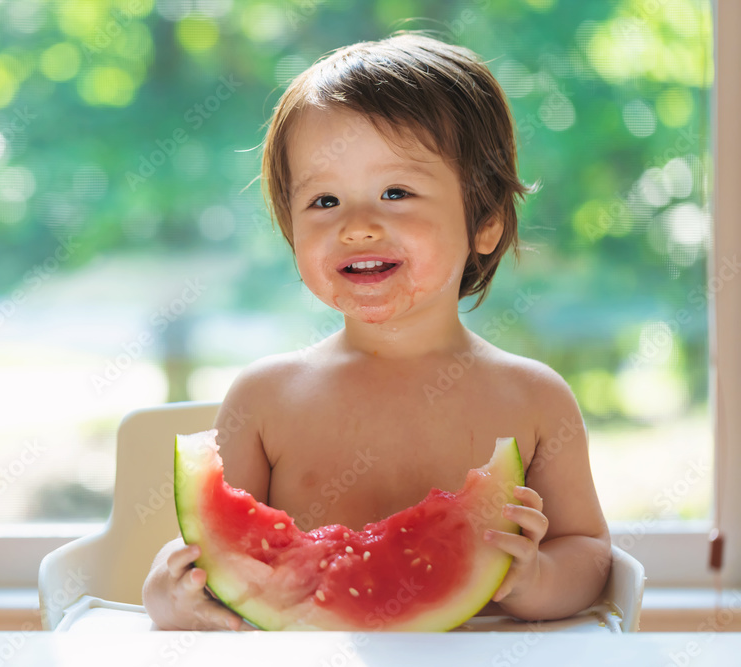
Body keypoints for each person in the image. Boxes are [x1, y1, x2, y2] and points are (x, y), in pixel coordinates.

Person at [141, 30, 611, 631]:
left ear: (485, 223)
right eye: (324, 201)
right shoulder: (265, 400)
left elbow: (590, 552)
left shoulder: (536, 400)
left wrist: (537, 579)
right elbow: (204, 558)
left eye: (396, 192)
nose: (358, 226)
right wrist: (167, 596)